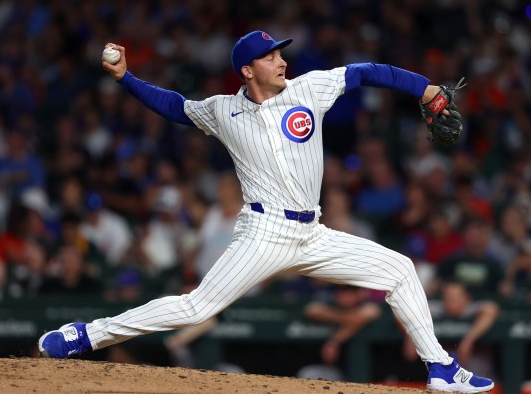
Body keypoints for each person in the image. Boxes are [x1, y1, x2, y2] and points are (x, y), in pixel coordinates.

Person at [38, 30, 494, 393]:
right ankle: (89, 334)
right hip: (264, 231)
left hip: (313, 233)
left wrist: (427, 88)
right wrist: (125, 78)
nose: (282, 61)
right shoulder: (222, 110)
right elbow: (174, 106)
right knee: (197, 307)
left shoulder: (309, 89)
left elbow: (370, 71)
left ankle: (441, 367)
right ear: (247, 70)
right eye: (272, 56)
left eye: (280, 53)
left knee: (399, 269)